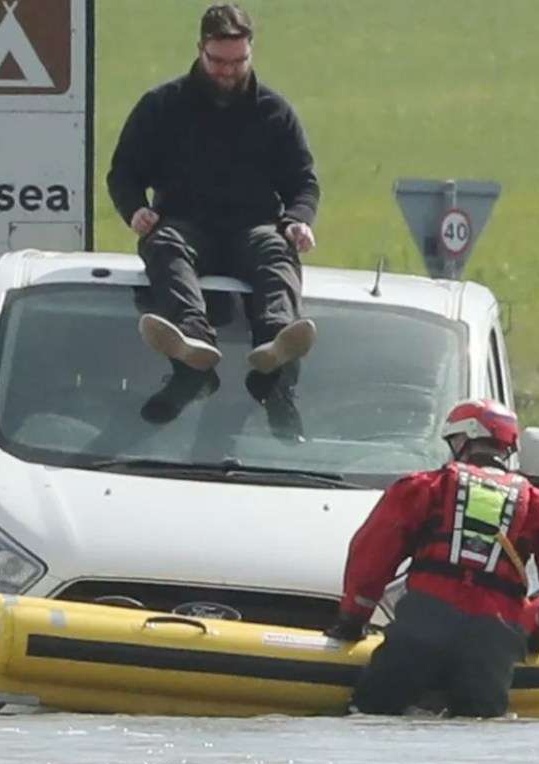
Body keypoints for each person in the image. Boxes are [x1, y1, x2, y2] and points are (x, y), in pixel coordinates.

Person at [104, 2, 320, 440]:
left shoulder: (274, 112)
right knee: (165, 246)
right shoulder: (161, 106)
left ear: (251, 52)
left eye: (238, 61)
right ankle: (192, 342)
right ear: (200, 50)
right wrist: (136, 210)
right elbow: (123, 172)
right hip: (184, 223)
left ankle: (277, 342)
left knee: (276, 252)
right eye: (218, 61)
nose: (227, 71)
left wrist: (299, 219)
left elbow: (303, 181)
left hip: (254, 227)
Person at [326, 399, 539, 717]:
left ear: (463, 440)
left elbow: (372, 554)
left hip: (421, 629)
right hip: (492, 643)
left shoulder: (425, 487)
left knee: (370, 715)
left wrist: (352, 620)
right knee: (478, 730)